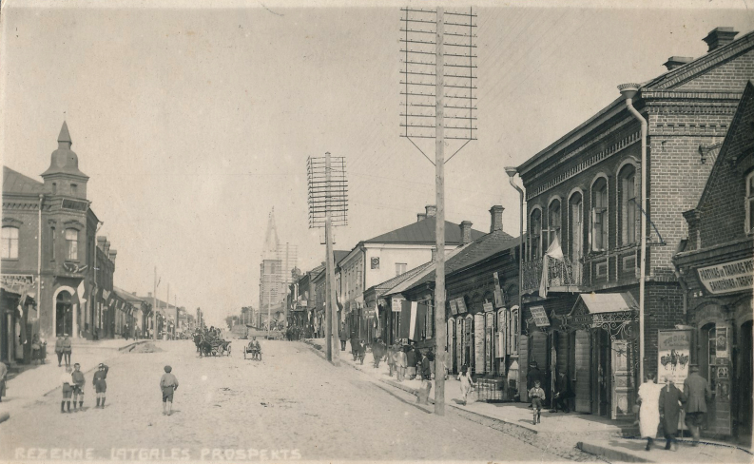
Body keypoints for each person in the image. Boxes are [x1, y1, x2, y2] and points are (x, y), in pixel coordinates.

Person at [683, 364, 712, 446]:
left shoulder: (687, 380)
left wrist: (683, 403)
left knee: (688, 421)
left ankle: (695, 435)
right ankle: (696, 439)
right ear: (698, 371)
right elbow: (709, 394)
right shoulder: (703, 380)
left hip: (691, 406)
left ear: (690, 371)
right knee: (697, 422)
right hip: (701, 406)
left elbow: (685, 395)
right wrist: (705, 401)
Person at [637, 373, 663, 451]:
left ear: (646, 378)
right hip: (654, 406)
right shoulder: (657, 387)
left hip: (645, 406)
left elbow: (640, 397)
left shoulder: (643, 386)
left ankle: (649, 440)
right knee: (653, 423)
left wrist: (637, 400)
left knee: (646, 422)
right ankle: (651, 440)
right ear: (654, 378)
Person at [659, 378, 685, 451]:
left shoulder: (663, 390)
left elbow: (661, 402)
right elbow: (683, 398)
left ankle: (674, 441)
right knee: (672, 428)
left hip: (666, 411)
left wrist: (661, 412)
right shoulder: (677, 389)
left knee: (666, 428)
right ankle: (668, 444)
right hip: (675, 411)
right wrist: (681, 407)